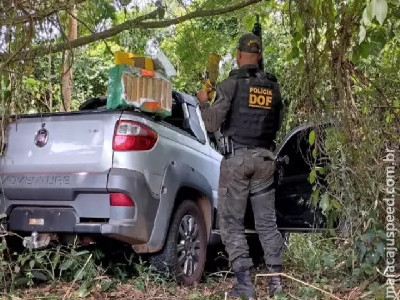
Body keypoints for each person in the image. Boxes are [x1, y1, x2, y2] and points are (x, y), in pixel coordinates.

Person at [197, 33, 284, 299]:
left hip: (237, 161)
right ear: (258, 57)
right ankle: (275, 284)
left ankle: (245, 286)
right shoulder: (273, 87)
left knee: (232, 222)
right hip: (265, 161)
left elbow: (212, 124)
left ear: (238, 55)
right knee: (267, 224)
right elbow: (277, 124)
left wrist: (202, 100)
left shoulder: (229, 85)